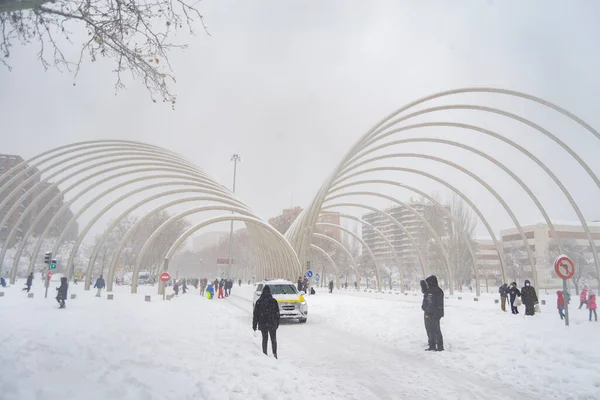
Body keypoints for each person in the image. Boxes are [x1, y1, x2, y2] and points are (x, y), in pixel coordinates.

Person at [252, 285, 280, 359]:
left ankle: (264, 353)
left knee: (265, 339)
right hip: (272, 323)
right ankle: (275, 354)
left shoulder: (259, 301)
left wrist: (254, 325)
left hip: (263, 323)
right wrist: (277, 323)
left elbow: (255, 315)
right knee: (273, 339)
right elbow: (277, 314)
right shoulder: (273, 301)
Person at [424, 275, 444, 351]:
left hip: (434, 313)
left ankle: (439, 346)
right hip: (431, 313)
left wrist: (429, 312)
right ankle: (432, 345)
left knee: (436, 330)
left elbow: (434, 303)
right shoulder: (431, 291)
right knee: (430, 329)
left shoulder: (436, 291)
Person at [420, 280, 433, 350]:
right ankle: (432, 341)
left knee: (429, 328)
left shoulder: (428, 294)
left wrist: (426, 311)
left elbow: (428, 304)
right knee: (431, 328)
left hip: (428, 313)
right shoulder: (430, 292)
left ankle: (432, 342)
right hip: (430, 312)